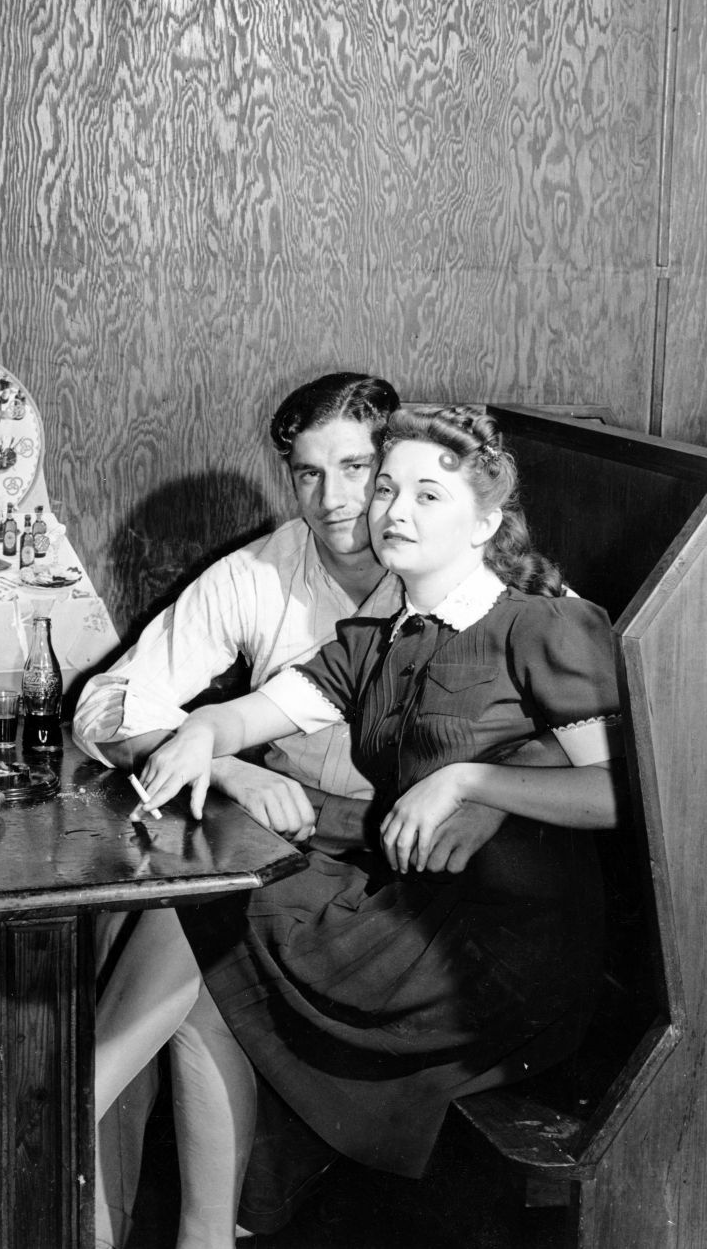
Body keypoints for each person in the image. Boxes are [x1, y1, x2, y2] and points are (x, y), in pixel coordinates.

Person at [113, 404, 622, 1248]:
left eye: (429, 494)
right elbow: (246, 716)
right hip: (413, 914)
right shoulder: (381, 637)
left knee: (200, 911)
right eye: (387, 488)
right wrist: (204, 733)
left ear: (487, 520)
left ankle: (25, 1159)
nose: (393, 511)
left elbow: (625, 794)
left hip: (501, 959)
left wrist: (471, 779)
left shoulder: (544, 626)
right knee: (202, 936)